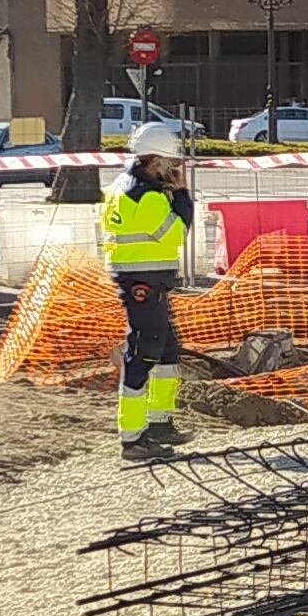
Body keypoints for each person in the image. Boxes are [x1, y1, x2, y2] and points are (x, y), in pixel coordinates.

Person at [102, 122, 193, 460]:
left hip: (139, 278)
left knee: (167, 348)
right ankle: (133, 437)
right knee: (143, 353)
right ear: (156, 162)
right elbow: (176, 234)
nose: (173, 170)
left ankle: (159, 422)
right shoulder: (148, 196)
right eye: (170, 164)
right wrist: (181, 196)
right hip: (144, 281)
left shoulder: (118, 188)